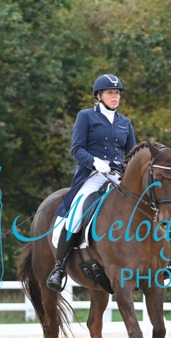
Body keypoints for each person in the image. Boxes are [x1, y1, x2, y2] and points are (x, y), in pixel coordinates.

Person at [46, 74, 137, 292]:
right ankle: (59, 268)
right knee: (77, 213)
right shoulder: (86, 116)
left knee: (143, 206)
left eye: (117, 93)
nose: (115, 97)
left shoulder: (125, 122)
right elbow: (77, 149)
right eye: (110, 93)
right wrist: (95, 162)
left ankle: (154, 261)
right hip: (93, 176)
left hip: (118, 177)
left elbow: (132, 153)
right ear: (99, 96)